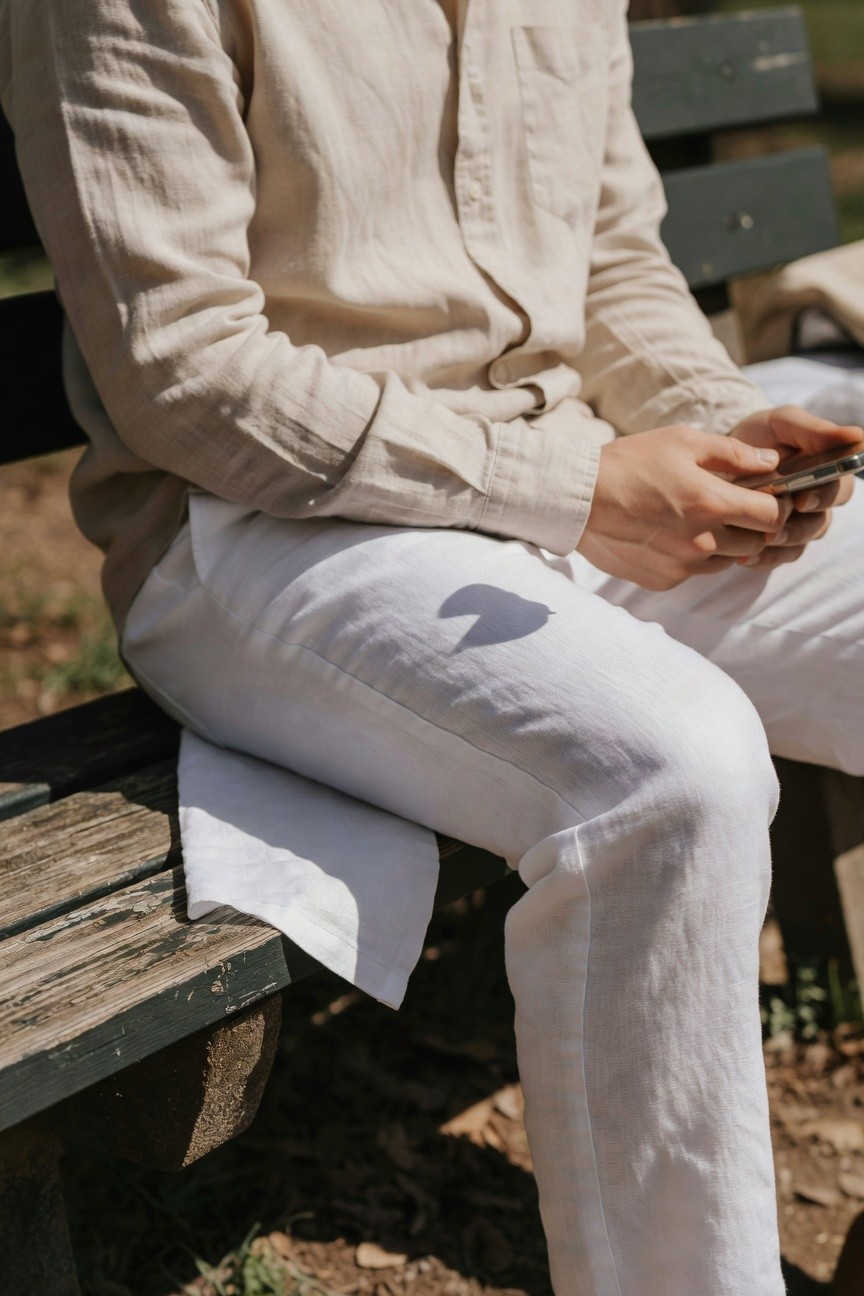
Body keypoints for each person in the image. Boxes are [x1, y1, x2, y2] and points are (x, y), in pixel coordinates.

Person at [2, 2, 863, 1292]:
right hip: (265, 531)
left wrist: (724, 437)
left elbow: (614, 256)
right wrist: (576, 484)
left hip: (576, 475)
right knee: (672, 773)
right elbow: (183, 369)